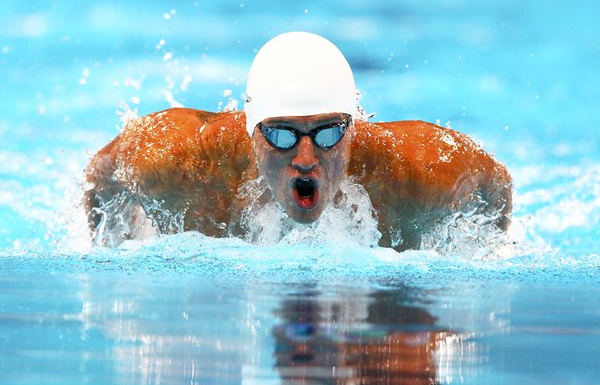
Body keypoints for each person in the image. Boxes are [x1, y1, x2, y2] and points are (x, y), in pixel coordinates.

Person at [84, 32, 512, 251]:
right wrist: (109, 248)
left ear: (353, 129)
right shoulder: (177, 160)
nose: (306, 158)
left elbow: (497, 186)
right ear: (253, 132)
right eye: (282, 135)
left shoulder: (420, 172)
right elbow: (101, 175)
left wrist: (480, 252)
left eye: (328, 133)